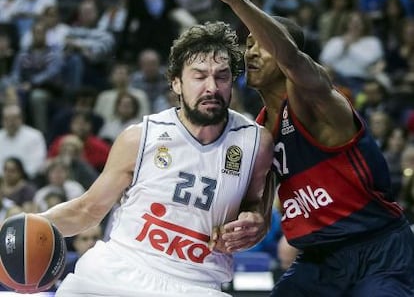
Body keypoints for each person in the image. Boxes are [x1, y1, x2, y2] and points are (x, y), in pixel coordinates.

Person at [38, 20, 274, 296]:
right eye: (199, 76)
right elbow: (86, 210)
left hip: (195, 284)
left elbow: (257, 208)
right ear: (176, 83)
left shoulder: (255, 143)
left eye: (221, 76)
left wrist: (256, 222)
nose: (211, 87)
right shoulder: (140, 137)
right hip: (117, 272)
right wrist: (25, 225)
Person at [210, 0, 414, 296]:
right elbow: (262, 212)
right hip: (319, 260)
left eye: (260, 44)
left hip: (378, 249)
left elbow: (291, 58)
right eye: (247, 45)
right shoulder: (259, 131)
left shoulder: (319, 99)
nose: (250, 52)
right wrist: (249, 224)